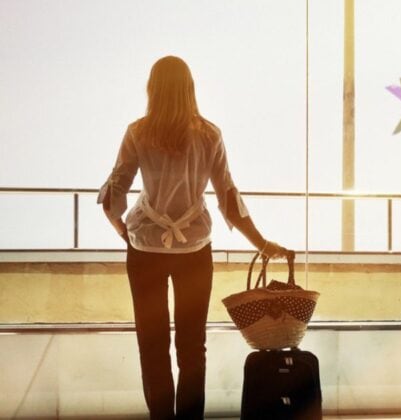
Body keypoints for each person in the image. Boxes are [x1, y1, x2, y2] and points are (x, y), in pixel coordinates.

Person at [99, 55, 288, 420]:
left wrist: (124, 230)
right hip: (195, 251)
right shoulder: (210, 134)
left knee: (152, 345)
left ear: (152, 89)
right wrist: (262, 243)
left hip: (145, 251)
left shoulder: (137, 132)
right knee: (192, 346)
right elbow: (229, 200)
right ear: (190, 89)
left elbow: (114, 193)